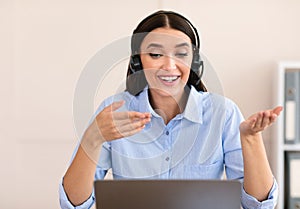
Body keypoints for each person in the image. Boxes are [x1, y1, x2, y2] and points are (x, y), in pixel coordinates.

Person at [59, 10, 282, 209]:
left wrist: (251, 138)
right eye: (155, 55)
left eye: (181, 54)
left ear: (194, 61)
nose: (169, 66)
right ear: (138, 62)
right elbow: (74, 204)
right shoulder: (114, 111)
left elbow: (259, 205)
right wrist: (92, 139)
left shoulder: (223, 113)